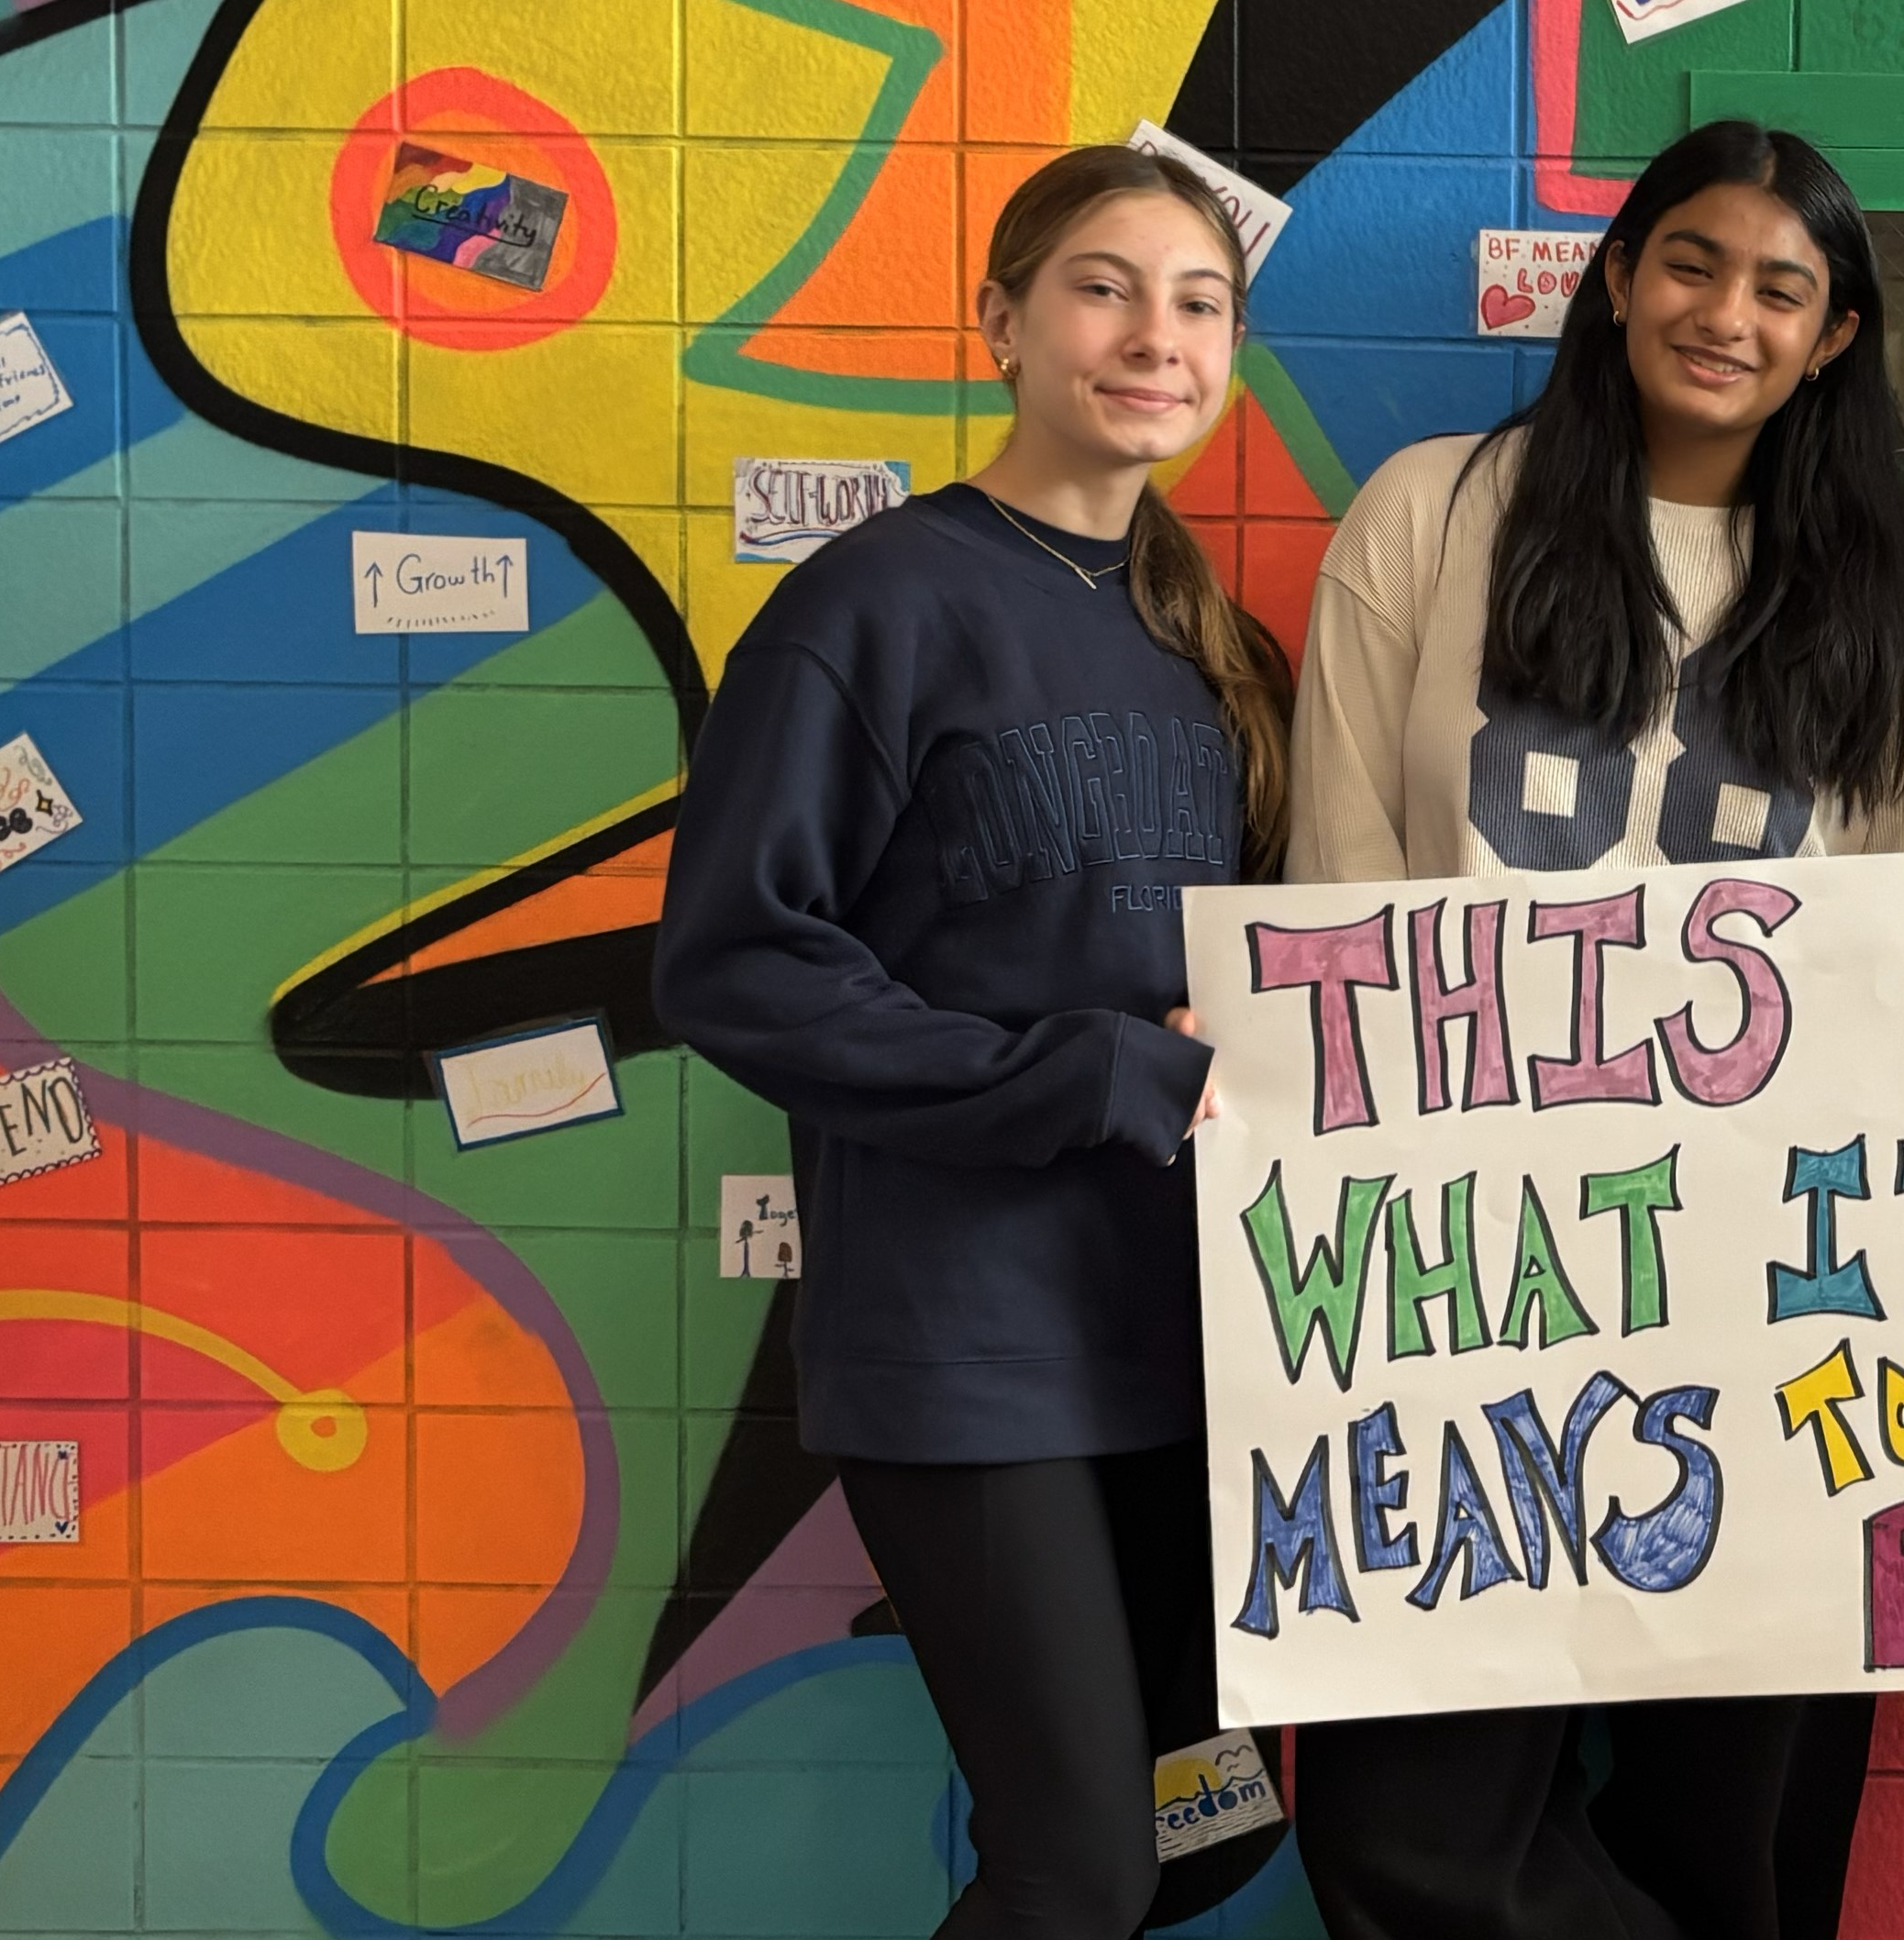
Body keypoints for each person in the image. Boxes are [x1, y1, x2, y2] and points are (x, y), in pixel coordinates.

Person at [1280, 119, 1904, 1940]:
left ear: (1833, 338)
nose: (1725, 311)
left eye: (1780, 286)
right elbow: (1338, 877)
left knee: (1730, 1843)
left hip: (1767, 1287)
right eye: (1690, 260)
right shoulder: (1435, 511)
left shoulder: (1885, 596)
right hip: (1455, 1276)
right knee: (1404, 1835)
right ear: (1613, 275)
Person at [649, 143, 1293, 1939]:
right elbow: (732, 963)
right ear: (1001, 318)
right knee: (1075, 1864)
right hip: (968, 1348)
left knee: (1199, 1838)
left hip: (1187, 1344)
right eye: (1102, 285)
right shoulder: (877, 604)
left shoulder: (1210, 639)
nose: (1151, 335)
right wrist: (1065, 1072)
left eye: (1197, 301)